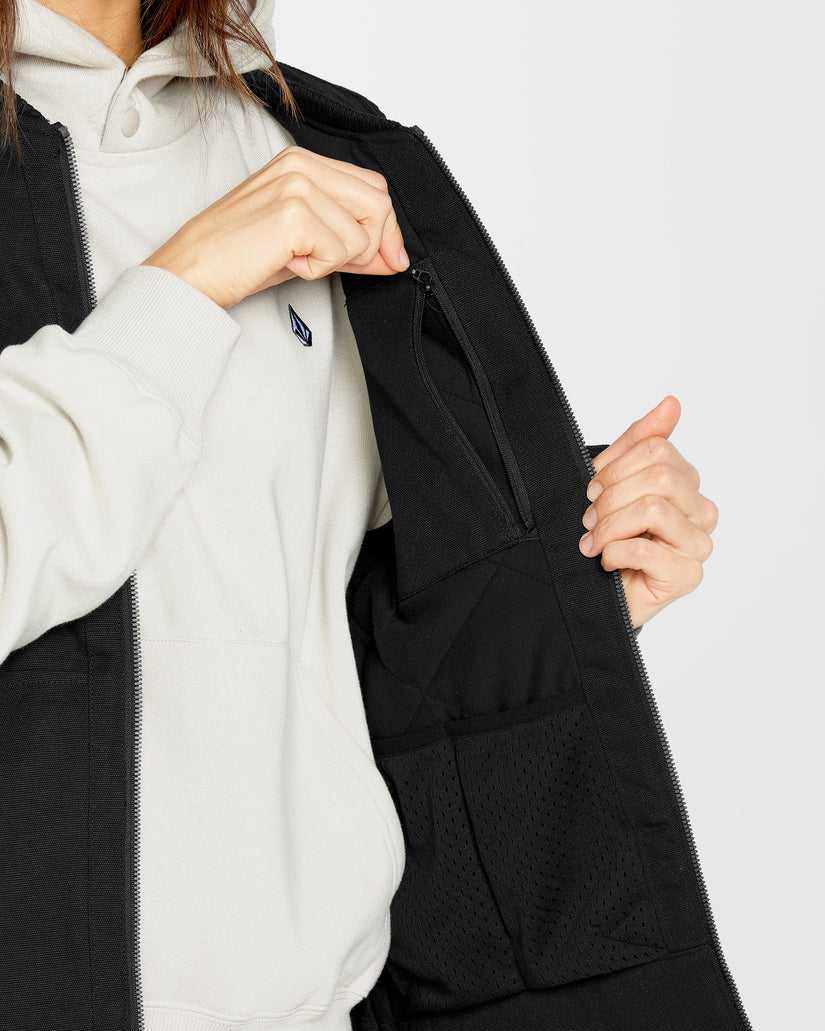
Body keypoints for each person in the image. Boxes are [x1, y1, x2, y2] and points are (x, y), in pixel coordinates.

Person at [0, 0, 720, 1029]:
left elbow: (344, 633)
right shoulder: (275, 194)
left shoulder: (319, 153)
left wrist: (570, 581)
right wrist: (188, 282)